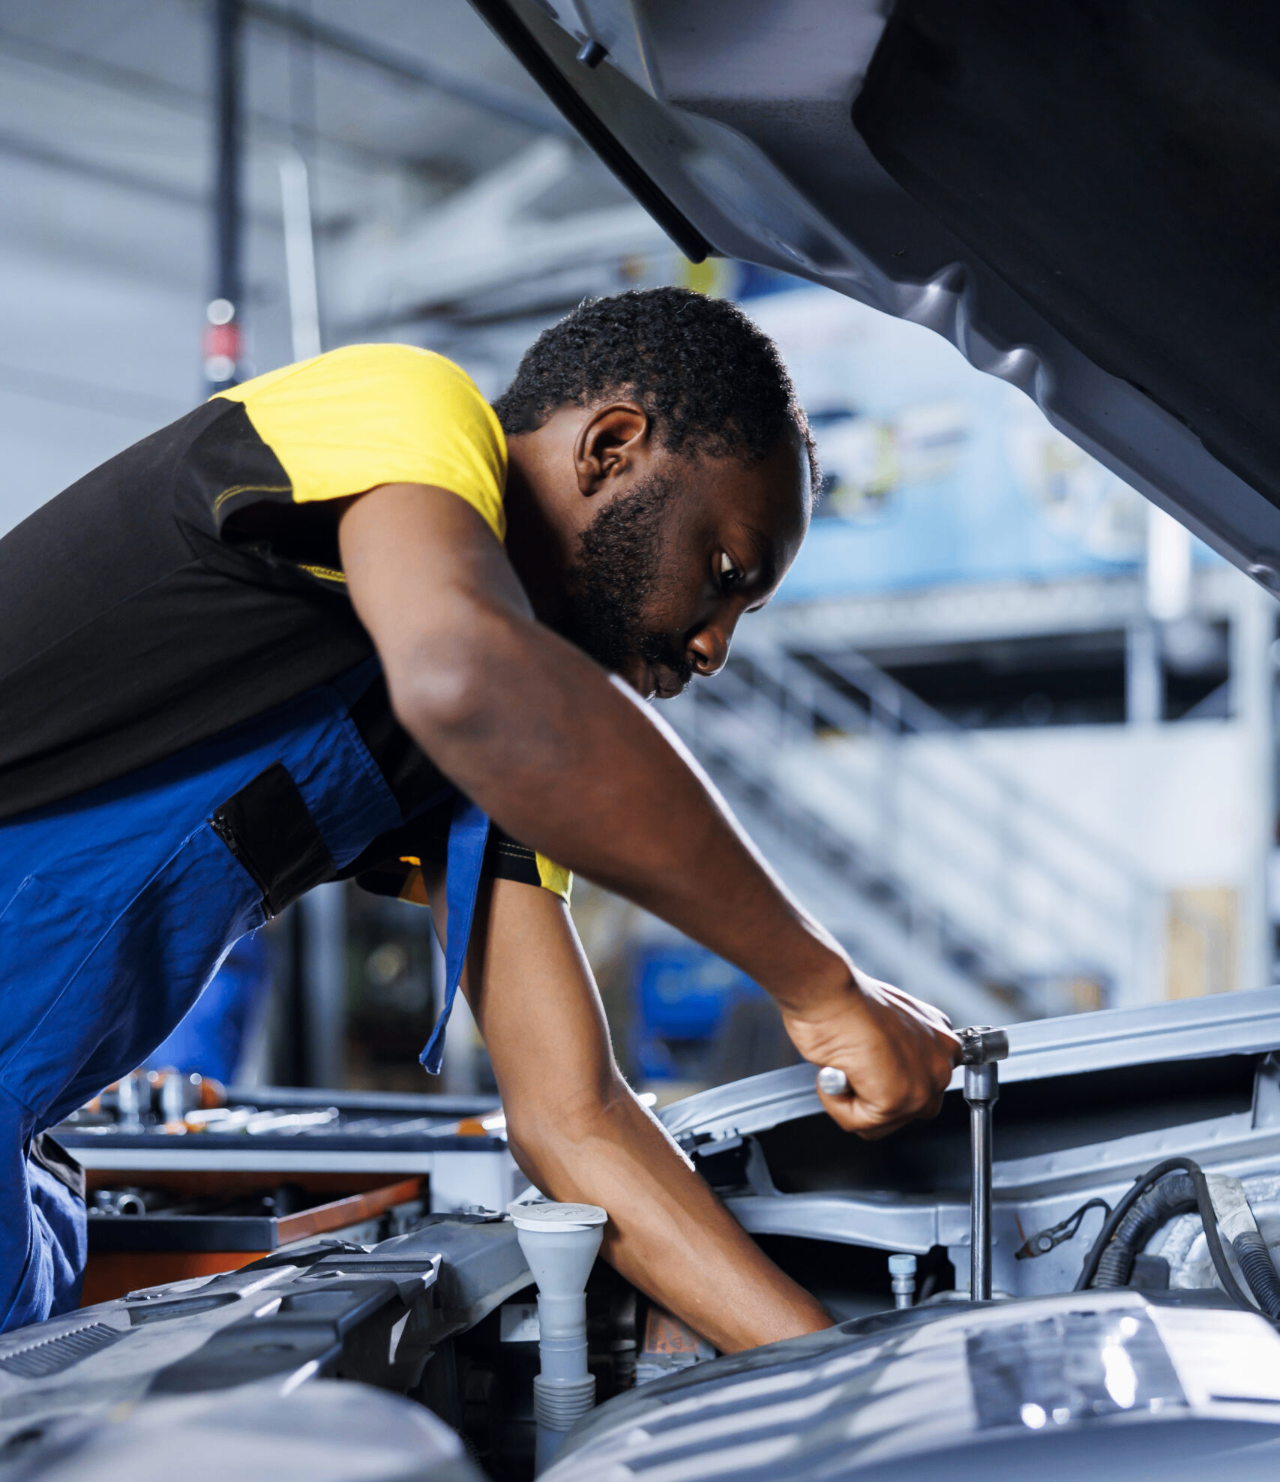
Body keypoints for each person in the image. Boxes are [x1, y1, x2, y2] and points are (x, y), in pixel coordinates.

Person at [0, 287, 958, 1337]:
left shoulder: (484, 764)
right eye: (725, 573)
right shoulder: (407, 406)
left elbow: (574, 1121)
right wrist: (820, 987)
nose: (713, 647)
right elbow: (468, 680)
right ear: (611, 445)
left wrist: (831, 1374)